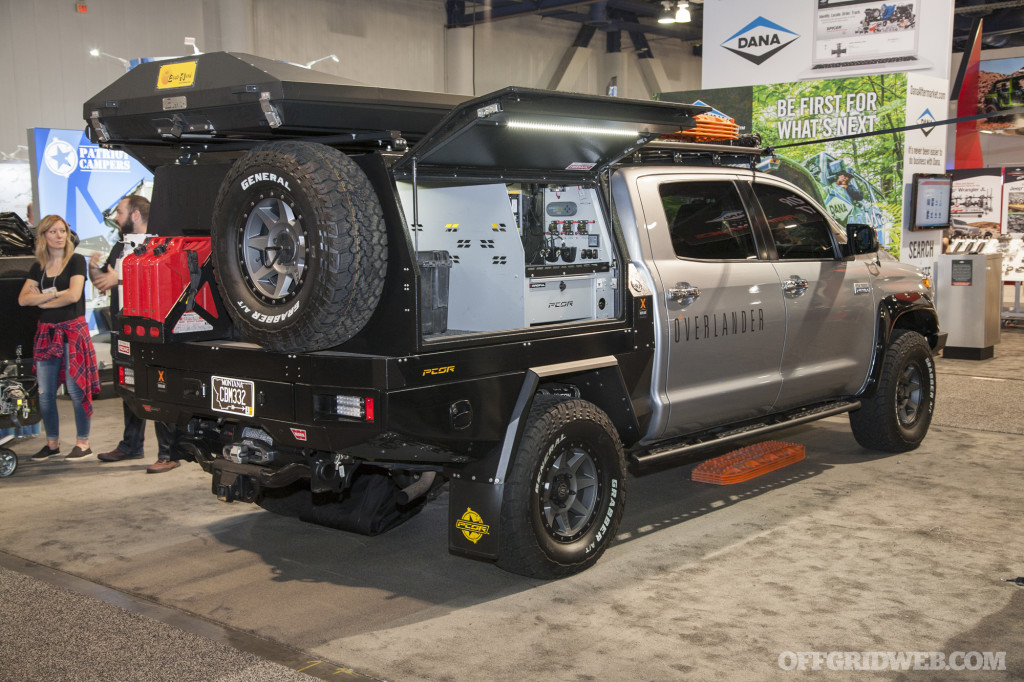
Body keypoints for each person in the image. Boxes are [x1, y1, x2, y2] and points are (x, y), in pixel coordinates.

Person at [89, 196, 183, 473]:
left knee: (157, 389)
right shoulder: (120, 245)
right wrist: (94, 268)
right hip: (122, 326)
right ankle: (131, 445)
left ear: (137, 215)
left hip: (149, 329)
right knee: (128, 386)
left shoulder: (159, 244)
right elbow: (103, 281)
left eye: (119, 212)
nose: (116, 217)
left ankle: (169, 452)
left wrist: (117, 279)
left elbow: (159, 279)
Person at [17, 215, 100, 460]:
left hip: (72, 332)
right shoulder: (37, 267)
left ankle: (83, 443)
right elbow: (23, 300)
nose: (59, 235)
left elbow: (73, 296)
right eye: (53, 231)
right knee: (45, 393)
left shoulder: (75, 261)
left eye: (62, 231)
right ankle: (52, 444)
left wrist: (41, 298)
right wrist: (53, 296)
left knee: (76, 390)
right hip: (46, 333)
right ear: (43, 236)